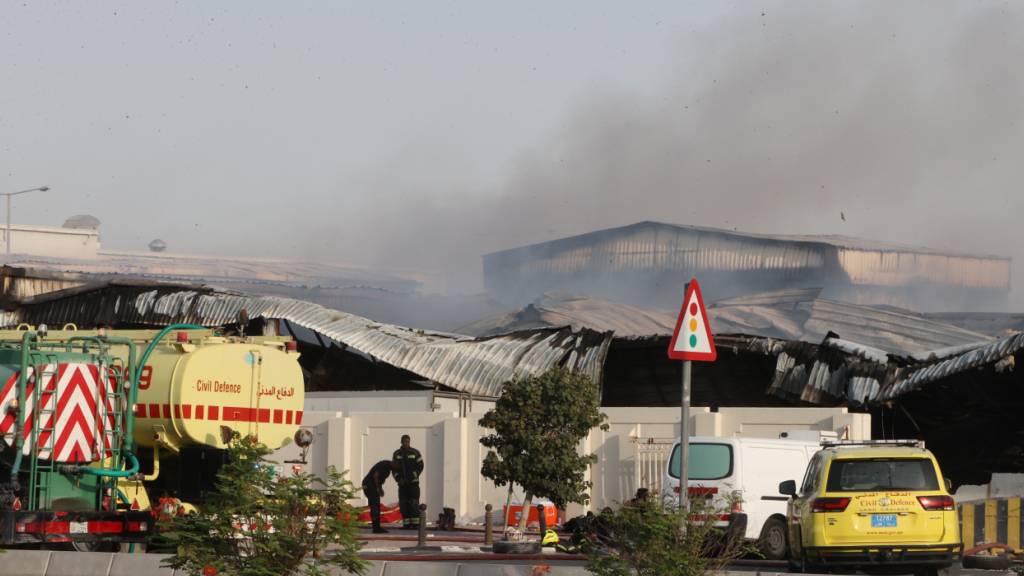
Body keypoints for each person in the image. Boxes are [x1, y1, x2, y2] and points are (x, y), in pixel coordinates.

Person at [391, 434, 423, 529]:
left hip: (413, 483)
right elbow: (394, 469)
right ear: (401, 442)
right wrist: (398, 479)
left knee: (414, 503)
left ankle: (415, 524)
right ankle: (406, 524)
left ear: (410, 442)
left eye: (408, 441)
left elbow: (420, 466)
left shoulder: (415, 452)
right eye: (404, 441)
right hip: (402, 484)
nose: (406, 443)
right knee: (403, 503)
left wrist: (411, 477)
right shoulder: (397, 454)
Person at [361, 459, 394, 533]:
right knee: (375, 505)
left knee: (376, 505)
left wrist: (380, 488)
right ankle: (376, 528)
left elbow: (379, 479)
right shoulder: (385, 465)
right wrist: (378, 488)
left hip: (370, 484)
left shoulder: (388, 467)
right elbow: (376, 476)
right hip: (370, 485)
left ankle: (376, 527)